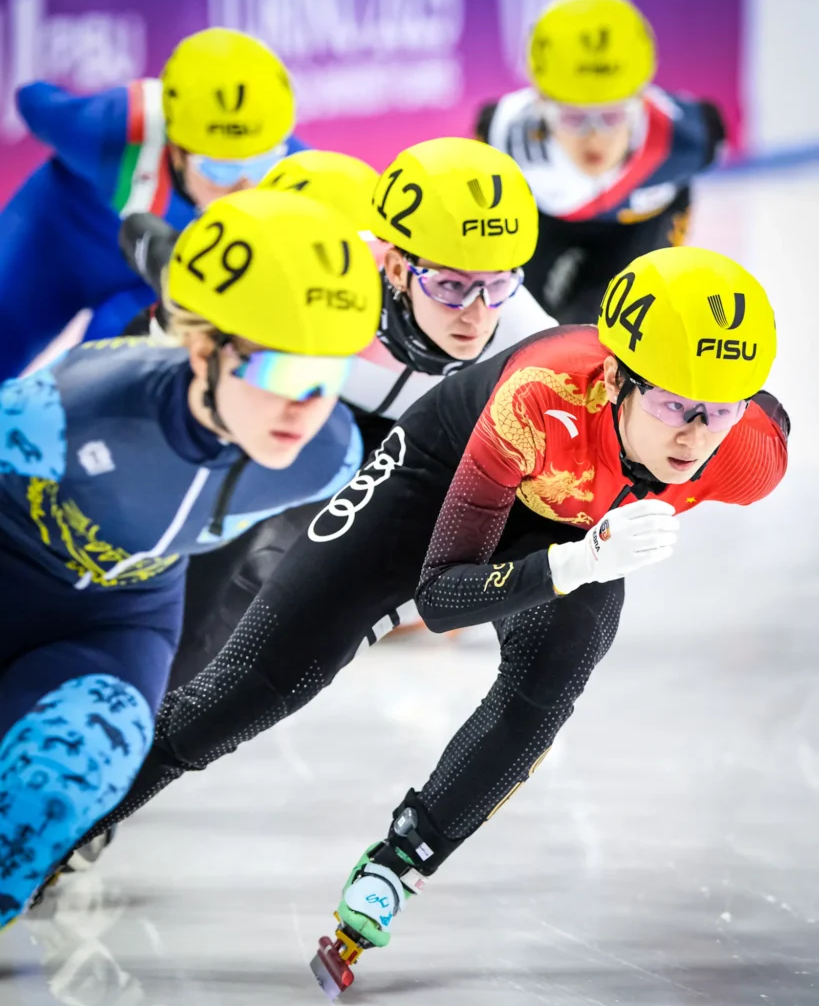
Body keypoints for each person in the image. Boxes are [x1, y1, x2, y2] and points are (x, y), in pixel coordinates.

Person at [72, 244, 789, 995]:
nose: (695, 436)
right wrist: (582, 560)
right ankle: (64, 818)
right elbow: (443, 599)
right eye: (675, 405)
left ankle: (401, 861)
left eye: (719, 410)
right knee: (251, 688)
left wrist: (585, 555)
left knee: (557, 666)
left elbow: (738, 425)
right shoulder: (535, 396)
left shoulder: (746, 457)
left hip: (576, 523)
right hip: (440, 483)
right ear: (614, 378)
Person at [0, 188, 382, 927]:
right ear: (202, 350)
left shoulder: (327, 454)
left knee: (76, 774)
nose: (304, 407)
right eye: (279, 373)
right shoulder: (77, 408)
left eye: (328, 376)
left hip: (115, 621)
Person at [115, 139, 554, 689]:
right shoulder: (330, 287)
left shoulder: (528, 342)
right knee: (231, 552)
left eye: (497, 285)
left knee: (269, 576)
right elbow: (168, 274)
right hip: (319, 421)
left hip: (414, 448)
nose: (475, 310)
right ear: (395, 268)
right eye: (449, 285)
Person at [0, 27, 304, 381]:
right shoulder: (108, 129)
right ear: (175, 151)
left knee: (102, 390)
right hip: (53, 247)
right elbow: (33, 100)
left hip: (150, 280)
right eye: (220, 169)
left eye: (261, 163)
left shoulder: (296, 172)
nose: (245, 186)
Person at [477, 0, 726, 323]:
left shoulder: (689, 141)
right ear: (539, 103)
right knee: (516, 317)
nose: (594, 136)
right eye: (573, 117)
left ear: (641, 101)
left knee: (609, 325)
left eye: (612, 116)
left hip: (642, 222)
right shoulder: (503, 135)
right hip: (543, 220)